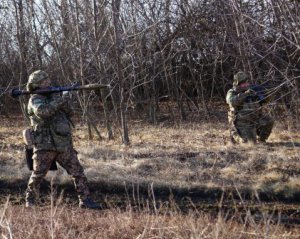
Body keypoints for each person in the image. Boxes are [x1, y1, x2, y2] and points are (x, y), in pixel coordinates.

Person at [24, 70, 100, 209]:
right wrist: (59, 98)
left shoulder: (54, 97)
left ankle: (85, 200)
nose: (48, 83)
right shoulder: (35, 99)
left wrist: (64, 98)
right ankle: (31, 200)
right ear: (37, 85)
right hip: (45, 145)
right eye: (44, 82)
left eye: (48, 81)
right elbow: (43, 112)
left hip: (63, 144)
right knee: (38, 175)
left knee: (78, 172)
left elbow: (70, 112)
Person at [226, 71, 274, 144]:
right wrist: (245, 94)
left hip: (255, 120)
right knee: (249, 143)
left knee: (269, 120)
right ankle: (235, 136)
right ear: (238, 84)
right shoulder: (232, 92)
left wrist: (265, 93)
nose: (246, 84)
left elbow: (265, 101)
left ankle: (261, 140)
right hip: (242, 123)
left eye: (246, 82)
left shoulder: (252, 90)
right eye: (243, 83)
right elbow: (232, 102)